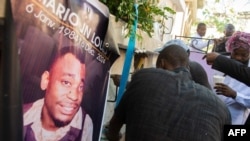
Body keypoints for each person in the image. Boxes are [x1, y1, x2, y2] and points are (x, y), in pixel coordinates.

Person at [105, 45, 231, 141]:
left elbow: (113, 128)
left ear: (162, 64)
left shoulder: (144, 77)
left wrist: (115, 137)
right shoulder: (221, 109)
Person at [23, 46, 93, 141]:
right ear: (46, 80)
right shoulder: (18, 115)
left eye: (80, 87)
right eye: (66, 82)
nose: (74, 96)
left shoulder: (85, 125)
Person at [212, 31, 250, 124]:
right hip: (214, 116)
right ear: (230, 50)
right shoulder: (223, 63)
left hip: (235, 119)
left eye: (243, 55)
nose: (238, 58)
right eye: (235, 53)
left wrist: (235, 94)